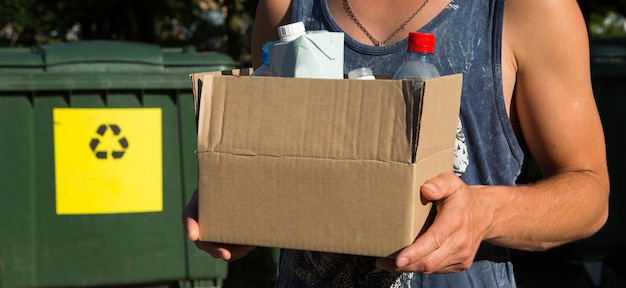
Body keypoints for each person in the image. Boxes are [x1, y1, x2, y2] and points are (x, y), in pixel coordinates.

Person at [183, 0, 610, 286]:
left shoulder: (529, 9)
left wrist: (485, 213)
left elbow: (590, 193)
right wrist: (235, 193)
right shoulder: (287, 7)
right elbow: (273, 154)